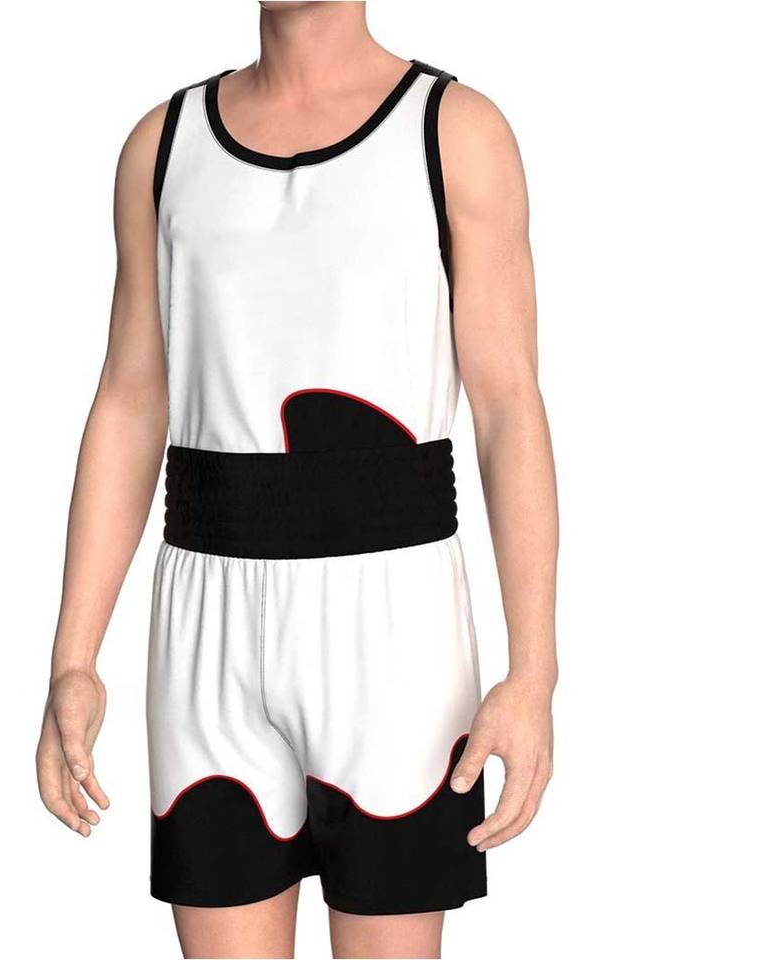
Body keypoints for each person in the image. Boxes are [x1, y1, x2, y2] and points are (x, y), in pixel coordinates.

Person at [35, 2, 558, 957]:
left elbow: (509, 406)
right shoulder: (162, 147)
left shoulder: (455, 132)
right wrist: (73, 658)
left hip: (396, 634)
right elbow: (129, 401)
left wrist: (534, 674)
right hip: (207, 627)